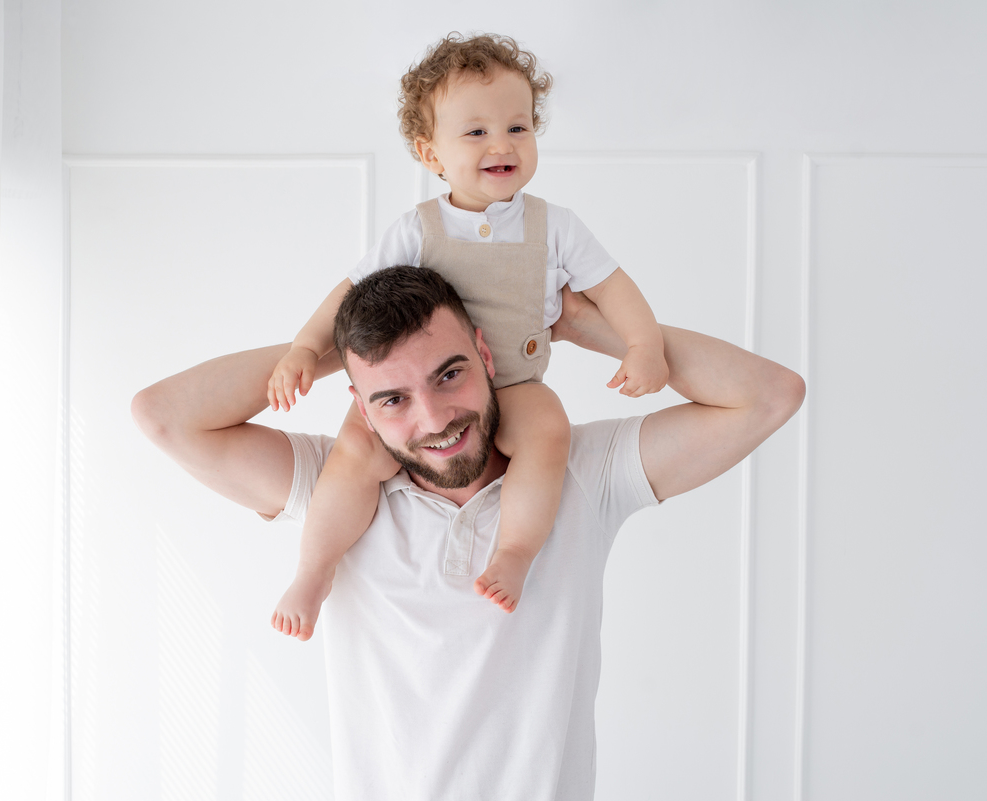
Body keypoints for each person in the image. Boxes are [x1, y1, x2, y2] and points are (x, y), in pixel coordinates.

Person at [131, 265, 805, 800]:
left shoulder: (581, 471)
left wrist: (592, 328)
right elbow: (162, 414)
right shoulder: (335, 486)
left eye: (448, 374)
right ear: (360, 405)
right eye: (392, 397)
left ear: (485, 352)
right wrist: (321, 352)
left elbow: (771, 394)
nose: (433, 418)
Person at [266, 33, 667, 638]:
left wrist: (643, 343)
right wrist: (303, 347)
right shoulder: (418, 229)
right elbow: (349, 296)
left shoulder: (554, 226)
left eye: (518, 127)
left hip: (515, 382)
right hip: (428, 387)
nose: (501, 144)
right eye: (476, 132)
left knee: (548, 430)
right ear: (430, 153)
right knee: (353, 453)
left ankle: (515, 551)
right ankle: (314, 571)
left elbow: (613, 286)